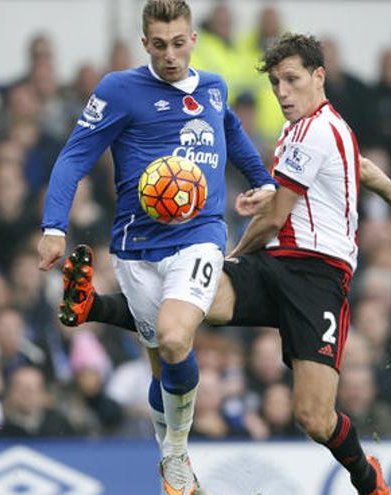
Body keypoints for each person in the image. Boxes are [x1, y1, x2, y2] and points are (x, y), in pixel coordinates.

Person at [59, 33, 391, 495]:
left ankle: (366, 476)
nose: (282, 92)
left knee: (314, 418)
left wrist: (233, 254)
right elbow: (355, 165)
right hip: (276, 263)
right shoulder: (307, 129)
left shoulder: (317, 129)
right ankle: (91, 306)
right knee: (188, 303)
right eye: (277, 82)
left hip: (317, 280)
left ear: (319, 77)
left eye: (292, 80)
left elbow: (276, 216)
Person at [36, 1, 276, 493]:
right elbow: (74, 156)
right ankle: (178, 461)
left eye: (180, 42)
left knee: (173, 337)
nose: (171, 55)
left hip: (200, 236)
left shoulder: (212, 86)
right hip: (136, 246)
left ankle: (173, 455)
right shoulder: (118, 90)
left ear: (193, 39)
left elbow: (229, 129)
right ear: (146, 43)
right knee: (163, 363)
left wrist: (263, 181)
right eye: (160, 45)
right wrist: (54, 225)